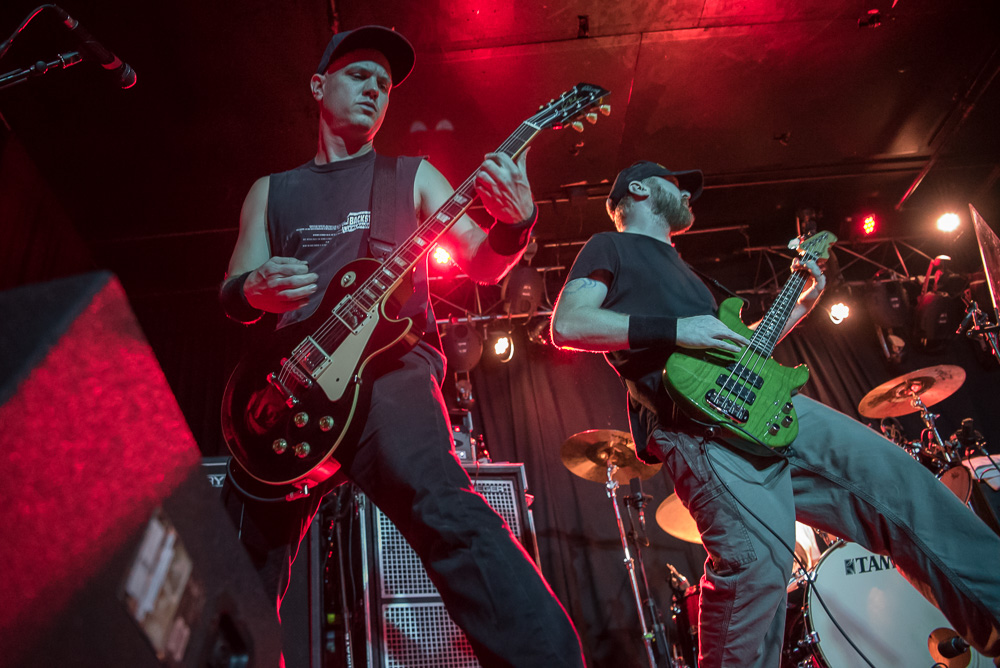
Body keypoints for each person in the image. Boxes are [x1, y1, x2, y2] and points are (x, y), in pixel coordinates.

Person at [219, 25, 584, 667]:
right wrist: (255, 288)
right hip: (283, 392)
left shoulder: (411, 176)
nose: (375, 90)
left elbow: (479, 261)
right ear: (317, 85)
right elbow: (234, 289)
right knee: (235, 576)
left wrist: (517, 223)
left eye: (384, 86)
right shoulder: (270, 190)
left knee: (448, 512)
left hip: (389, 374)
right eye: (360, 75)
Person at [550, 160, 1000, 667]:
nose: (689, 196)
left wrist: (803, 300)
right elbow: (569, 323)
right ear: (638, 190)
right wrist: (677, 331)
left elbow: (745, 345)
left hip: (769, 406)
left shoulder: (694, 276)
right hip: (697, 426)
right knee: (758, 567)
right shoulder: (611, 247)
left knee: (902, 486)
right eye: (677, 186)